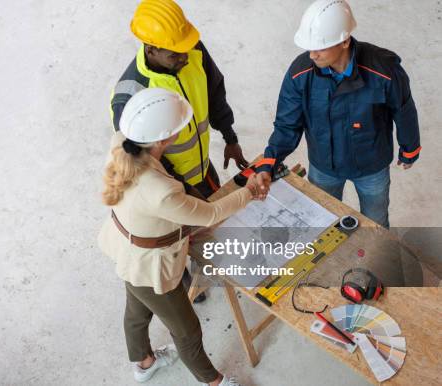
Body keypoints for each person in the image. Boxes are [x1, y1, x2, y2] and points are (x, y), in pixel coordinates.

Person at [99, 88, 262, 386]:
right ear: (163, 140)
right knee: (187, 331)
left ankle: (144, 363)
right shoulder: (161, 192)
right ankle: (214, 382)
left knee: (136, 311)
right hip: (151, 266)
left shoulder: (122, 143)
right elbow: (211, 214)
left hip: (129, 251)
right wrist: (249, 192)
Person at [110, 0, 249, 301]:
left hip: (200, 166)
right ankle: (183, 275)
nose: (185, 56)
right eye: (175, 54)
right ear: (151, 50)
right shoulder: (131, 97)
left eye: (185, 47)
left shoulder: (190, 49)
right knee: (177, 235)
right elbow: (140, 160)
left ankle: (201, 262)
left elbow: (215, 92)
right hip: (168, 187)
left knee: (210, 226)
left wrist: (230, 136)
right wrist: (184, 193)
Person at [254, 0, 421, 228]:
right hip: (324, 167)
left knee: (376, 223)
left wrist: (409, 148)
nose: (312, 55)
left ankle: (379, 259)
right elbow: (287, 125)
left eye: (320, 47)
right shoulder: (300, 74)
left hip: (372, 166)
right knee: (321, 222)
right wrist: (269, 162)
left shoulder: (383, 70)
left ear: (344, 41)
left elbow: (404, 111)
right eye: (309, 47)